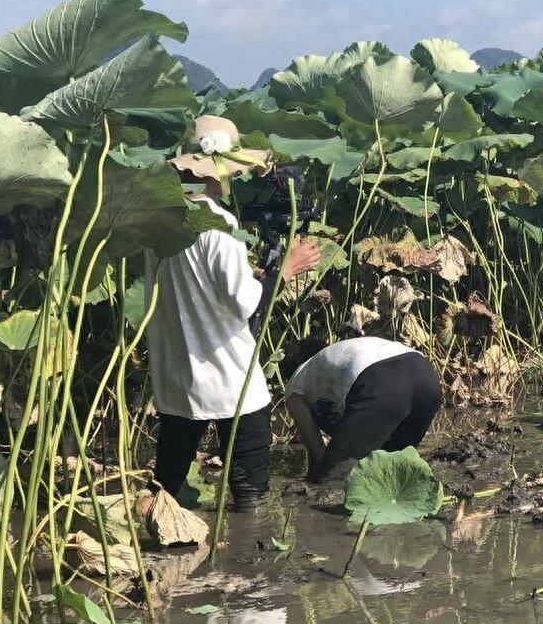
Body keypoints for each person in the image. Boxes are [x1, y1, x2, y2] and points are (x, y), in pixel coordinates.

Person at [146, 115, 320, 509]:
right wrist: (285, 270)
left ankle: (162, 560)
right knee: (249, 498)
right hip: (230, 380)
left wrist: (252, 272)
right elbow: (244, 303)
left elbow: (192, 283)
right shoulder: (220, 225)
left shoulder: (158, 223)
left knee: (167, 493)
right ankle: (245, 561)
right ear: (221, 171)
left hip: (177, 381)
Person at [284, 336, 442, 483]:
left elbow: (317, 452)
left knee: (331, 479)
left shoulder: (296, 379)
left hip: (381, 381)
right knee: (390, 470)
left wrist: (318, 473)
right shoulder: (339, 353)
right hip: (427, 377)